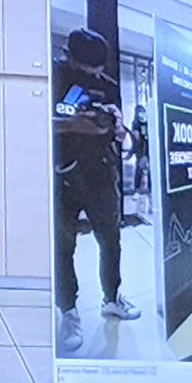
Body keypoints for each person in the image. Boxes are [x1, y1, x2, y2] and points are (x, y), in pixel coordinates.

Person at [52, 26, 138, 354]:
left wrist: (117, 127)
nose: (94, 74)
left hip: (102, 172)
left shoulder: (108, 85)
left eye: (98, 69)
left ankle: (112, 298)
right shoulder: (55, 76)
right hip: (63, 173)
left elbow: (119, 129)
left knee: (111, 240)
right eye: (89, 67)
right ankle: (68, 312)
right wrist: (73, 125)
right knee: (64, 246)